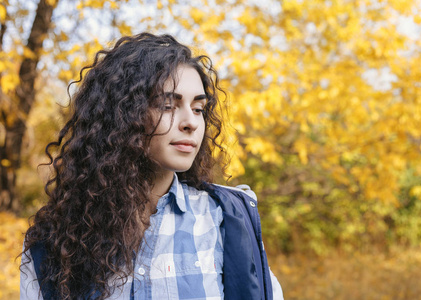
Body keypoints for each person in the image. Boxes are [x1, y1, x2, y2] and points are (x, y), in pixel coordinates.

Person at [20, 32, 283, 300]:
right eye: (168, 105)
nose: (190, 122)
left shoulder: (228, 218)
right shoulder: (55, 240)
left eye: (198, 109)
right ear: (123, 116)